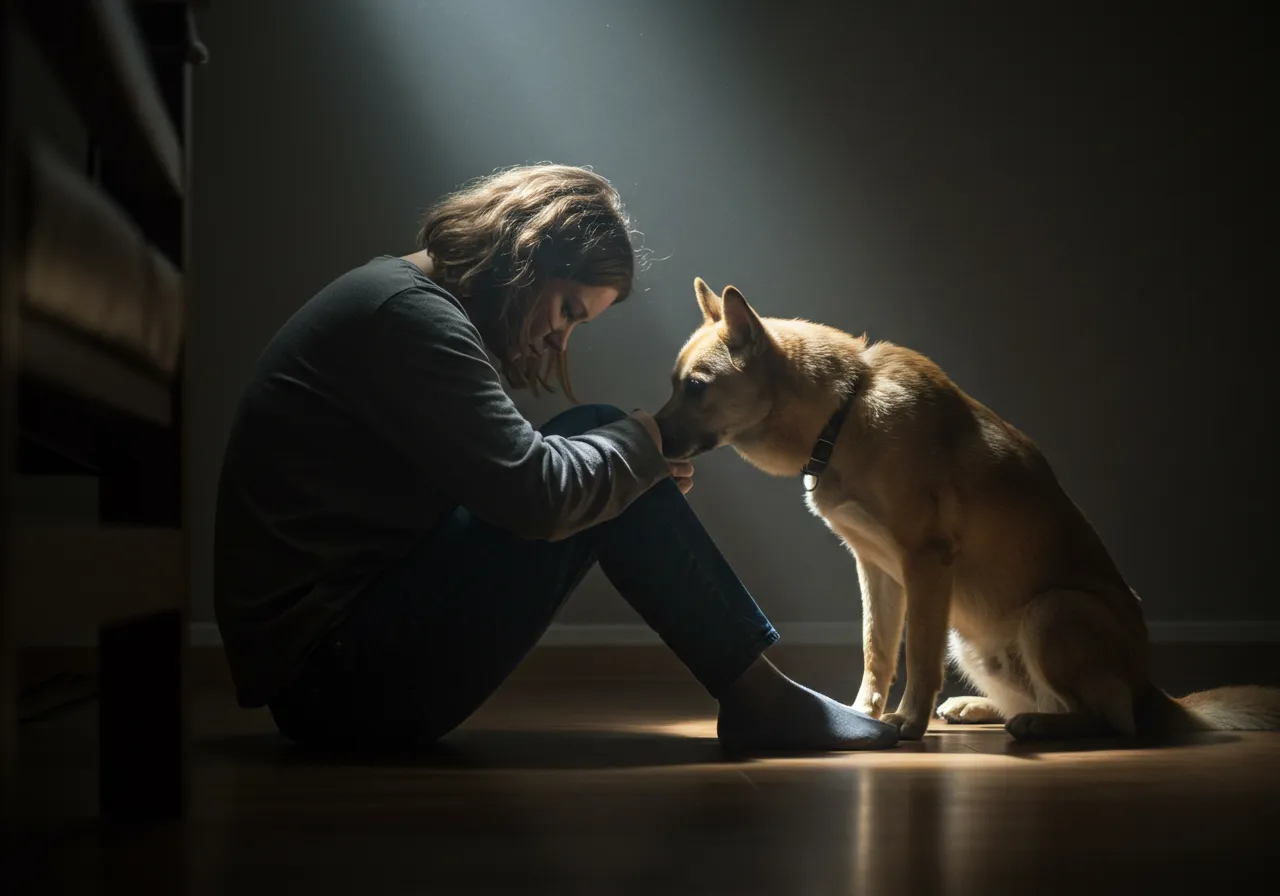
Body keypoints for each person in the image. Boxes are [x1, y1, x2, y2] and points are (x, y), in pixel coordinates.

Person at [213, 163, 898, 753]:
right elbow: (536, 498)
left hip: (333, 672)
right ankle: (762, 700)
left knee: (602, 451)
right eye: (567, 309)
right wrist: (640, 448)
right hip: (336, 685)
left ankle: (761, 696)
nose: (558, 341)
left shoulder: (402, 303)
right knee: (603, 436)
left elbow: (520, 480)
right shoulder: (408, 319)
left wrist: (631, 463)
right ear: (528, 256)